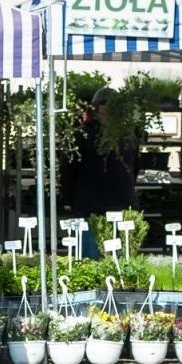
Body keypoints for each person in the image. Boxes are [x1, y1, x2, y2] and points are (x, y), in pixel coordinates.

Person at [59, 87, 139, 257]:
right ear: (96, 107)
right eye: (104, 103)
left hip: (121, 206)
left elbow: (133, 169)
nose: (107, 107)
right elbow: (68, 170)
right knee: (91, 259)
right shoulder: (81, 135)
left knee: (121, 263)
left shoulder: (128, 135)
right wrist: (70, 200)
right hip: (91, 208)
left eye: (113, 104)